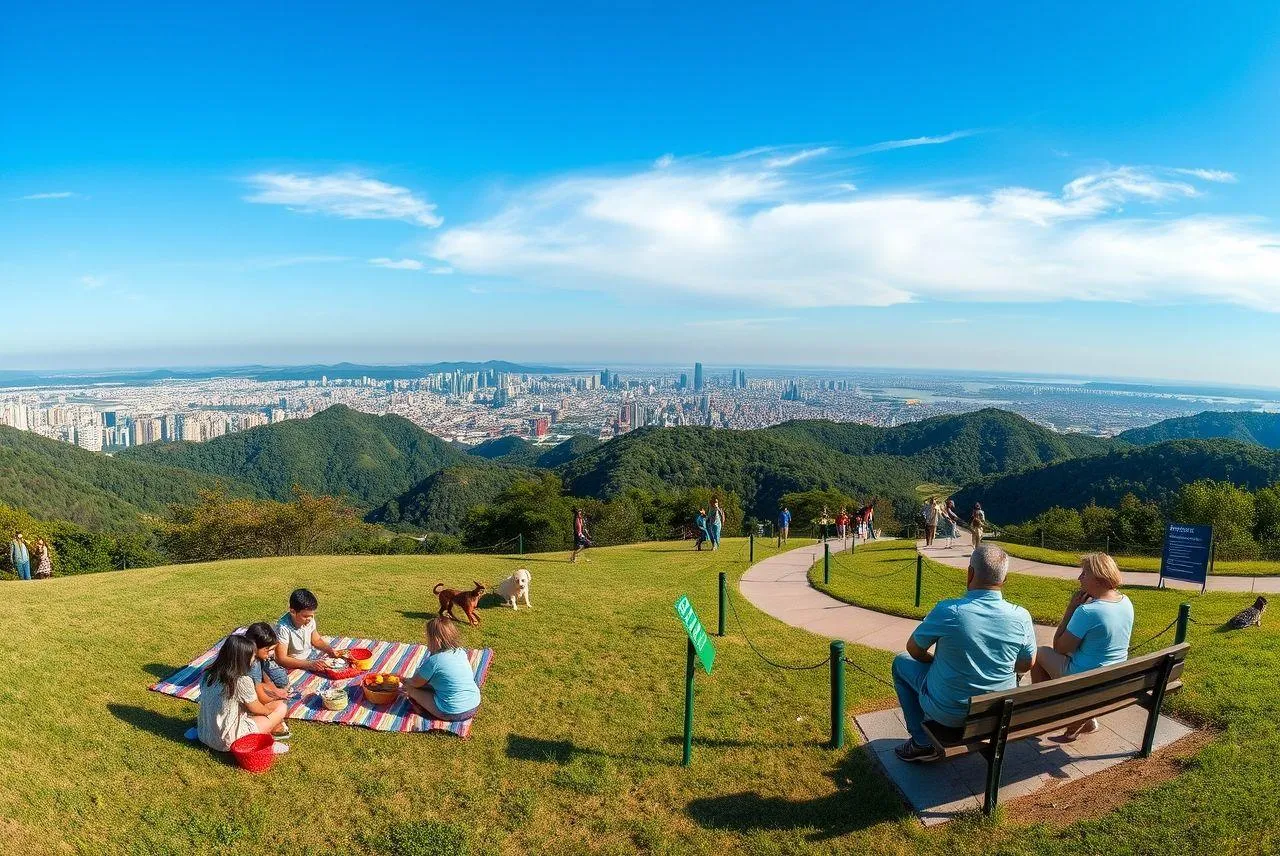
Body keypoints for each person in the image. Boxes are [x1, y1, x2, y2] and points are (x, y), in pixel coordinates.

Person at [891, 543, 1037, 762]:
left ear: (970, 573)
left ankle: (921, 742)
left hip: (949, 713)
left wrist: (933, 663)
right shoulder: (1021, 616)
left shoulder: (949, 611)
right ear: (1004, 580)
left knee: (900, 664)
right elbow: (1026, 664)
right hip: (998, 711)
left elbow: (913, 649)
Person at [1031, 553, 1133, 740]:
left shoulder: (1088, 611)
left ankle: (1042, 715)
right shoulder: (1125, 602)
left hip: (1085, 677)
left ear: (1099, 577)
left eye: (1084, 574)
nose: (1079, 578)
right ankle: (1082, 717)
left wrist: (1071, 609)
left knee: (1039, 654)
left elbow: (1059, 647)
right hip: (1114, 677)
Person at [197, 632, 290, 754]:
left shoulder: (208, 673)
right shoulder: (241, 680)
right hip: (228, 741)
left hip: (204, 733)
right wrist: (271, 714)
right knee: (281, 707)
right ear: (243, 659)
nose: (253, 660)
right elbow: (256, 708)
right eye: (252, 656)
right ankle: (259, 743)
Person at [402, 616, 482, 722]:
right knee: (434, 685)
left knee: (409, 689)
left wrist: (404, 680)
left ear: (436, 640)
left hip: (451, 712)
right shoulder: (460, 652)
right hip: (473, 704)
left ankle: (423, 710)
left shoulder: (434, 661)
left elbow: (415, 683)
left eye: (427, 637)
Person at [274, 588, 349, 673]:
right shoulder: (283, 628)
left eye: (312, 615)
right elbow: (281, 658)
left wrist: (330, 651)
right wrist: (308, 665)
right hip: (292, 663)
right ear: (292, 612)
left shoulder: (309, 619)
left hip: (309, 657)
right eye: (306, 616)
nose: (310, 619)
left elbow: (316, 640)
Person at [244, 622, 293, 715]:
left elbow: (263, 674)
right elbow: (261, 698)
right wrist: (276, 697)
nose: (271, 653)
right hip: (251, 698)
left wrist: (274, 689)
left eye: (273, 649)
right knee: (282, 707)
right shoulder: (252, 665)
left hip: (256, 682)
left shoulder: (258, 657)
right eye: (268, 650)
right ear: (254, 646)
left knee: (280, 681)